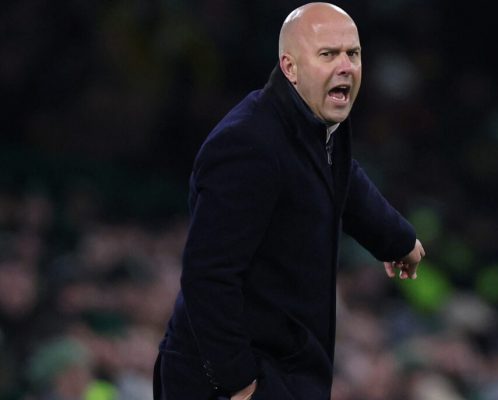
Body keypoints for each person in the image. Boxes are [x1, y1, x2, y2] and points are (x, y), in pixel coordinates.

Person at [154, 3, 425, 399]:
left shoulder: (316, 123)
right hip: (225, 381)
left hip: (282, 368)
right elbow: (208, 274)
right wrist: (238, 381)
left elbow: (342, 177)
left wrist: (396, 239)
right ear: (290, 67)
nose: (346, 66)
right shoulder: (249, 144)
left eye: (353, 53)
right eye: (328, 54)